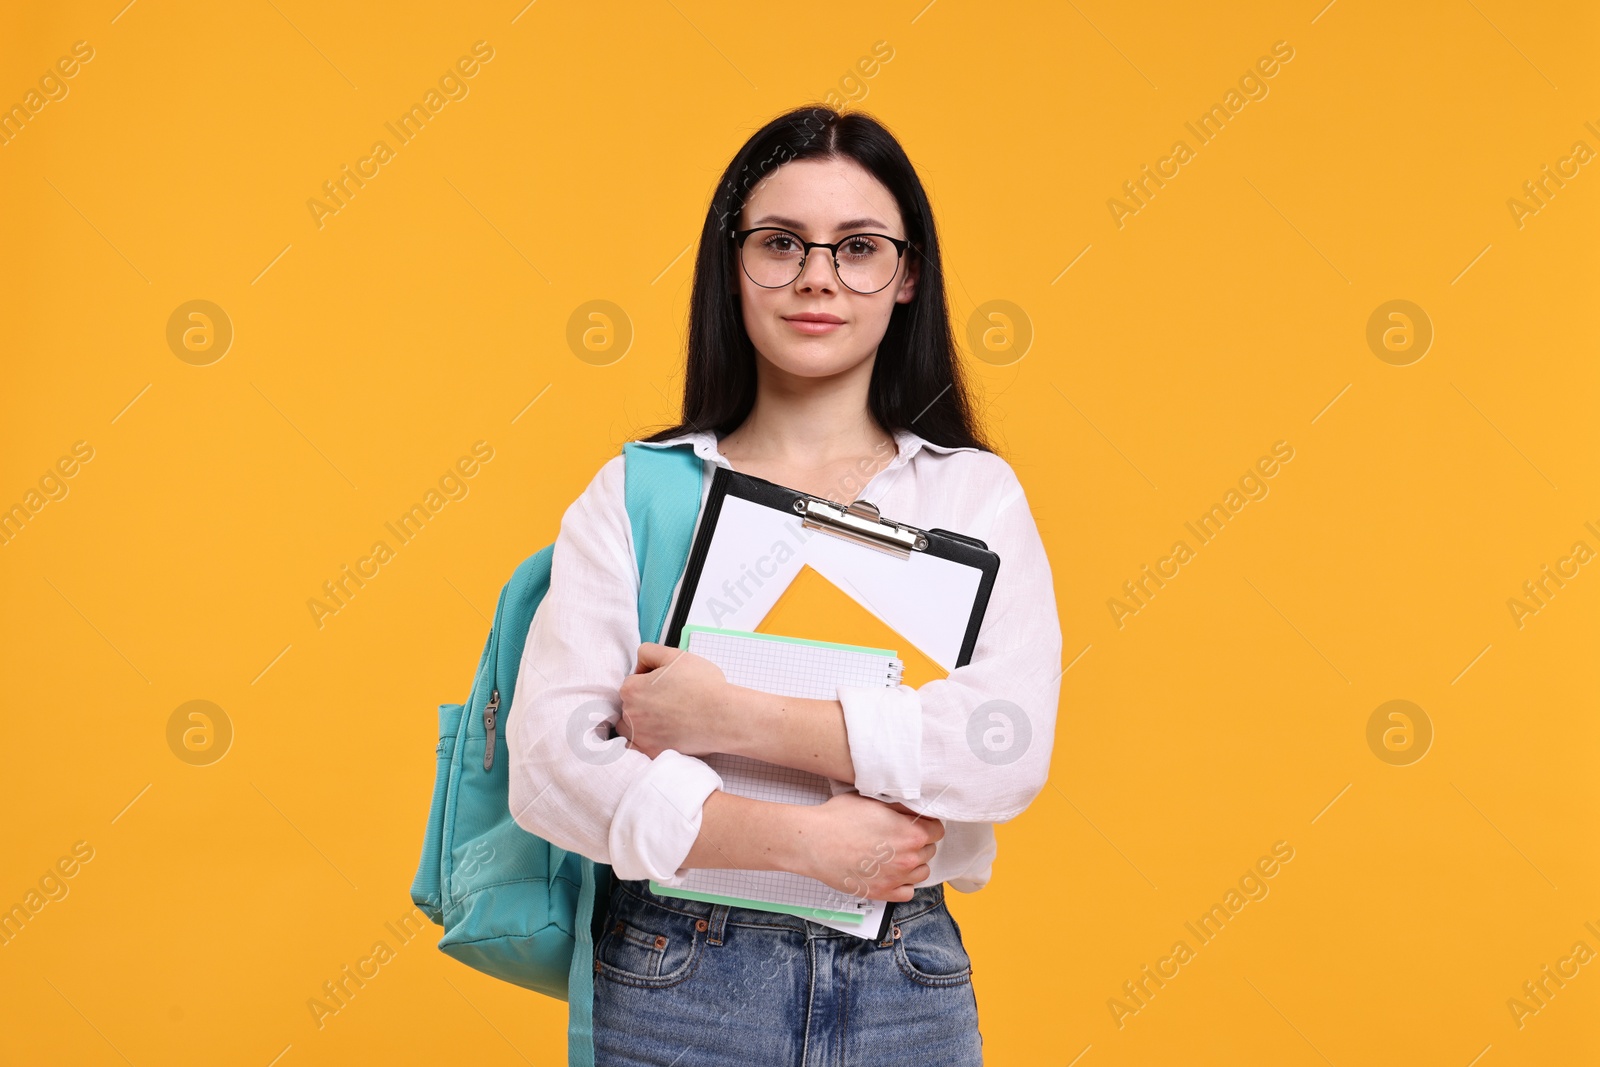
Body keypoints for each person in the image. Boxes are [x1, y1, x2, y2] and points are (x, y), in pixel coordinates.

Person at [505, 105, 1063, 1066]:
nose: (817, 276)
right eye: (780, 243)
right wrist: (803, 844)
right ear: (734, 266)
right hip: (679, 976)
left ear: (908, 274)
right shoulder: (639, 491)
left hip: (907, 981)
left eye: (858, 247)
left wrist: (733, 718)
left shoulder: (974, 494)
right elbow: (553, 771)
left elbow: (1003, 748)